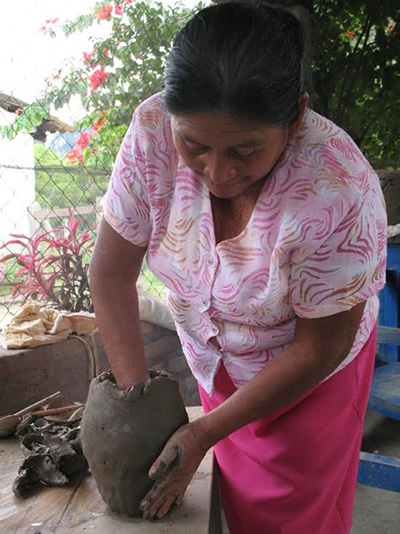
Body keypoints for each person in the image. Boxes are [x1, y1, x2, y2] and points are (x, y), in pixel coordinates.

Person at [89, 2, 387, 533]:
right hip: (215, 356)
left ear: (295, 117)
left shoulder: (339, 187)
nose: (217, 173)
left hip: (308, 374)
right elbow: (111, 273)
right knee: (235, 501)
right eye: (195, 147)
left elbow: (320, 346)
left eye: (244, 152)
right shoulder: (152, 131)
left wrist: (204, 433)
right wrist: (135, 408)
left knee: (293, 515)